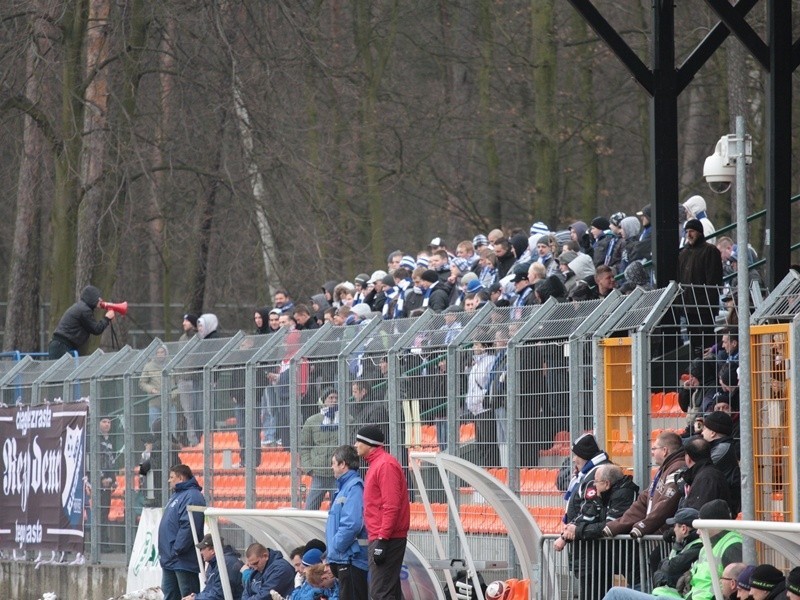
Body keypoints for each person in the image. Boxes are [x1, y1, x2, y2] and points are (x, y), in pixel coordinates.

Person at [556, 464, 638, 600]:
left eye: (596, 481)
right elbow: (584, 516)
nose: (593, 484)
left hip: (616, 557)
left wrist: (578, 531)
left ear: (607, 484)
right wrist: (569, 531)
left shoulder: (623, 494)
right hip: (599, 558)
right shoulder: (599, 495)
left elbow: (609, 525)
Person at [355, 425, 410, 600]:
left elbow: (391, 505)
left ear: (369, 444)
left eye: (359, 441)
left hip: (387, 537)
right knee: (389, 590)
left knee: (381, 592)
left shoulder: (385, 465)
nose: (355, 445)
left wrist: (382, 540)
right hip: (382, 536)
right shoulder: (378, 464)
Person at [604, 432, 685, 539]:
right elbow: (643, 500)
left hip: (664, 537)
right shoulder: (664, 468)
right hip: (655, 534)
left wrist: (643, 526)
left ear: (665, 451)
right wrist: (616, 526)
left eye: (654, 449)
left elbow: (666, 503)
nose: (652, 453)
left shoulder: (677, 467)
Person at [326, 445, 369, 600]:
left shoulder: (354, 487)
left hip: (351, 559)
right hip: (344, 558)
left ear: (343, 464)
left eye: (333, 463)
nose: (332, 467)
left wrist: (336, 546)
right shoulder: (344, 488)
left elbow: (352, 524)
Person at [158, 464, 206, 600]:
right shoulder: (177, 495)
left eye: (172, 477)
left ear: (181, 477)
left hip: (183, 559)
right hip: (171, 559)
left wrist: (177, 549)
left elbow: (189, 526)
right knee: (170, 595)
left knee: (187, 595)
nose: (169, 480)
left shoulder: (193, 496)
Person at [677, 218, 723, 357]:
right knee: (694, 342)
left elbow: (713, 280)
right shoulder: (683, 254)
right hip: (689, 307)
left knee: (706, 342)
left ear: (700, 233)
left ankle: (707, 370)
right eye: (687, 232)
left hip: (704, 308)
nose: (689, 234)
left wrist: (709, 305)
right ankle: (696, 370)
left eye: (692, 231)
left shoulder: (710, 251)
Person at [48, 285, 116, 359]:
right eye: (98, 298)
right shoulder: (84, 310)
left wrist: (107, 320)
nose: (101, 300)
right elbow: (96, 329)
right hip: (61, 346)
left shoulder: (81, 307)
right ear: (92, 298)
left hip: (60, 345)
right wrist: (107, 318)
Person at [300, 388, 340, 510]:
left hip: (337, 474)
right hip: (318, 473)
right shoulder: (311, 421)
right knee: (310, 509)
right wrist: (309, 468)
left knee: (338, 509)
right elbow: (304, 446)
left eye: (336, 398)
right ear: (323, 400)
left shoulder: (346, 419)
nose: (334, 400)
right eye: (330, 398)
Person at [650, 508, 703, 596]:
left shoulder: (698, 545)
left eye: (675, 526)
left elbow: (671, 567)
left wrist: (677, 543)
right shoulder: (689, 543)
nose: (673, 530)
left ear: (683, 529)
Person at [183, 534, 244, 600]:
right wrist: (196, 597)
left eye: (203, 549)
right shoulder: (215, 563)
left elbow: (219, 595)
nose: (201, 552)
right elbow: (210, 590)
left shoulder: (226, 563)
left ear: (213, 550)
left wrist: (196, 598)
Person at [97, 416, 120, 549]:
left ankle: (104, 543)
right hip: (98, 483)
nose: (107, 424)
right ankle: (99, 544)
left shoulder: (111, 440)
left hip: (108, 482)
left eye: (109, 422)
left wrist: (113, 479)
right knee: (99, 512)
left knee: (105, 512)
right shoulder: (95, 440)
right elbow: (93, 461)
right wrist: (101, 479)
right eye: (104, 422)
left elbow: (112, 461)